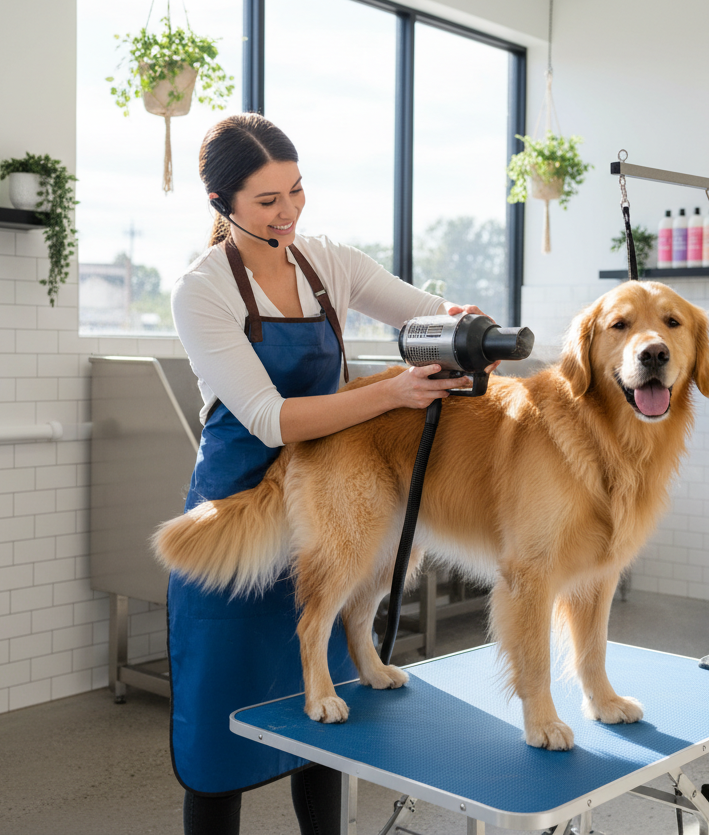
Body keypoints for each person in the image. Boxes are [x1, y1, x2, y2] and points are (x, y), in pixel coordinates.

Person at [168, 112, 496, 835]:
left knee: (325, 733)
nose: (288, 212)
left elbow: (422, 312)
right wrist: (391, 391)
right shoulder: (202, 290)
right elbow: (268, 418)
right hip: (245, 498)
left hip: (333, 497)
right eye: (266, 201)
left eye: (296, 190)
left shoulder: (328, 263)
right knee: (219, 737)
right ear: (222, 206)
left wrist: (467, 328)